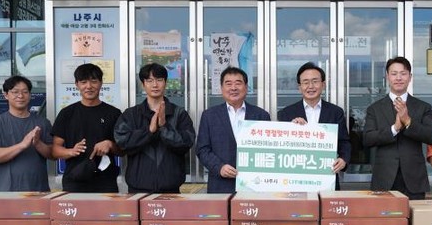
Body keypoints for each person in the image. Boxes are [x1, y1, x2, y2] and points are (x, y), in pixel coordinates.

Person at [114, 63, 196, 193]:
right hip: (138, 189)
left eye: (159, 80)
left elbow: (187, 143)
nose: (155, 85)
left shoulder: (179, 113)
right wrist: (149, 131)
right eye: (149, 80)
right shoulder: (131, 114)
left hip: (171, 189)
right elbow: (122, 142)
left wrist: (164, 127)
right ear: (143, 84)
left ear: (165, 83)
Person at [363, 56, 432, 199]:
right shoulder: (375, 108)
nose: (398, 78)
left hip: (414, 178)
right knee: (386, 215)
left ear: (410, 77)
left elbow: (431, 136)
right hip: (384, 178)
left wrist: (408, 121)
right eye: (394, 74)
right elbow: (368, 138)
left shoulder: (423, 107)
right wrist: (395, 128)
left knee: (414, 214)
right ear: (387, 77)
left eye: (403, 74)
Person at [277, 62, 351, 190]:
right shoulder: (286, 113)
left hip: (326, 178)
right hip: (295, 181)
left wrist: (344, 159)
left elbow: (344, 141)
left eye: (315, 81)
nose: (310, 86)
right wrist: (291, 130)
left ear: (323, 84)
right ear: (299, 87)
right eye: (305, 82)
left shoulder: (335, 112)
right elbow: (279, 147)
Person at [196, 66, 270, 193]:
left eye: (238, 83)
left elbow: (269, 150)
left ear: (246, 87)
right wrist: (219, 167)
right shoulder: (209, 116)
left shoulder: (261, 115)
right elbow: (202, 149)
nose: (233, 88)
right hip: (220, 186)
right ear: (221, 88)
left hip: (253, 186)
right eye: (228, 84)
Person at [51, 63, 122, 192]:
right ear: (77, 84)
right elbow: (55, 150)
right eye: (83, 82)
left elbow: (123, 150)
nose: (89, 86)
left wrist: (110, 144)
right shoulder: (67, 113)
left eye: (94, 81)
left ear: (101, 83)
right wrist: (71, 151)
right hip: (74, 181)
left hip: (106, 182)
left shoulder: (114, 113)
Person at [0, 75, 53, 191]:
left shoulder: (43, 122)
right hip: (8, 191)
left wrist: (38, 143)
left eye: (25, 92)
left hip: (39, 190)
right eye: (15, 92)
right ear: (6, 95)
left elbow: (53, 155)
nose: (20, 96)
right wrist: (22, 145)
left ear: (30, 95)